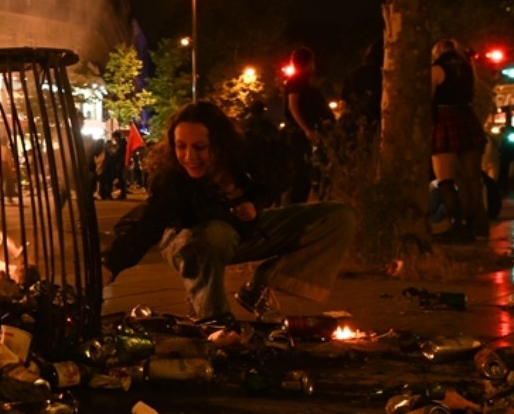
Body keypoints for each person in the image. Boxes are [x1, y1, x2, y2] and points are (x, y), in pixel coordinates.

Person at [102, 101, 355, 322]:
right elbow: (146, 225)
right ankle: (212, 319)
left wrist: (254, 203)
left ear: (220, 144)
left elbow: (277, 175)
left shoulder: (244, 158)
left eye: (199, 147)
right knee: (214, 234)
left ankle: (258, 287)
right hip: (187, 236)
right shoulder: (171, 180)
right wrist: (110, 266)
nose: (189, 156)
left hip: (243, 230)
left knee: (337, 217)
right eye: (181, 146)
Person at [430, 39, 487, 241]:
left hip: (445, 120)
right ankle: (475, 224)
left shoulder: (437, 69)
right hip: (468, 119)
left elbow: (428, 98)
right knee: (472, 178)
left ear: (437, 52)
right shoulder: (469, 69)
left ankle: (457, 225)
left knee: (445, 179)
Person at [282, 46, 335, 204]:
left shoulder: (301, 81)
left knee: (307, 174)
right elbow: (293, 106)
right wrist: (307, 130)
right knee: (301, 176)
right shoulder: (297, 81)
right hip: (300, 134)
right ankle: (293, 209)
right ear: (308, 63)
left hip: (304, 133)